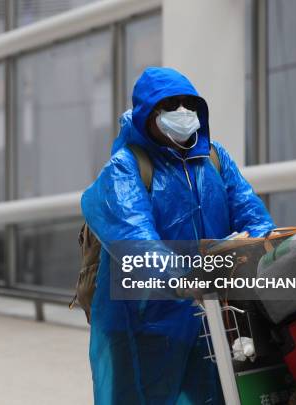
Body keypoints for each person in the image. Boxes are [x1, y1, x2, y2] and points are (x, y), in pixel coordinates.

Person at [81, 67, 275, 404]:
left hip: (213, 315)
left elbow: (253, 216)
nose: (183, 113)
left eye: (189, 104)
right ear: (148, 114)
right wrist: (189, 276)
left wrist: (255, 248)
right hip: (144, 324)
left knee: (218, 395)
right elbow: (135, 241)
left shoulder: (214, 158)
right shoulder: (126, 167)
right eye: (171, 105)